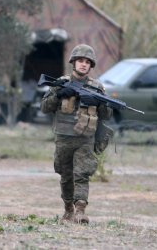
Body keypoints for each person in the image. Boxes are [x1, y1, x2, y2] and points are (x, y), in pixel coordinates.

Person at [40, 44, 112, 224]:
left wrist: (99, 102)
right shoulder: (62, 82)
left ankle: (80, 211)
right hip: (63, 137)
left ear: (91, 65)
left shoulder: (97, 87)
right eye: (80, 60)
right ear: (73, 62)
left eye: (87, 62)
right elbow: (44, 107)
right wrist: (59, 95)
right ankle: (67, 210)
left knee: (82, 175)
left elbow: (107, 115)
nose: (83, 64)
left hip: (85, 139)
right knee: (66, 176)